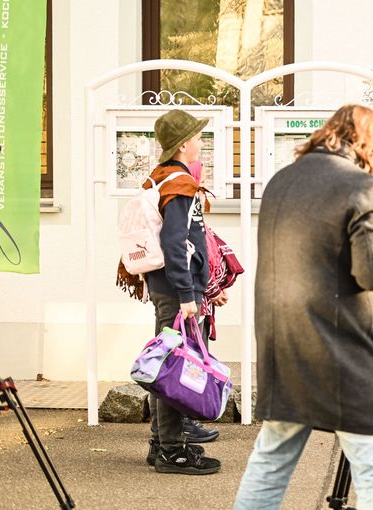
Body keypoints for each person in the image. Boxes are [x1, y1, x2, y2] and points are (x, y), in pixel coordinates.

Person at [234, 104, 373, 510]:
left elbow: (326, 256)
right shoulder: (361, 187)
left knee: (270, 462)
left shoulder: (281, 181)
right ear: (369, 143)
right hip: (340, 352)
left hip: (283, 343)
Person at [143, 109, 222, 474]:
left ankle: (162, 444)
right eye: (196, 137)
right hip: (177, 292)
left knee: (168, 362)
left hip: (171, 289)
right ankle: (172, 451)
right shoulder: (178, 184)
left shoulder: (164, 178)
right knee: (175, 368)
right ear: (182, 144)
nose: (200, 142)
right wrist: (188, 295)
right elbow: (177, 244)